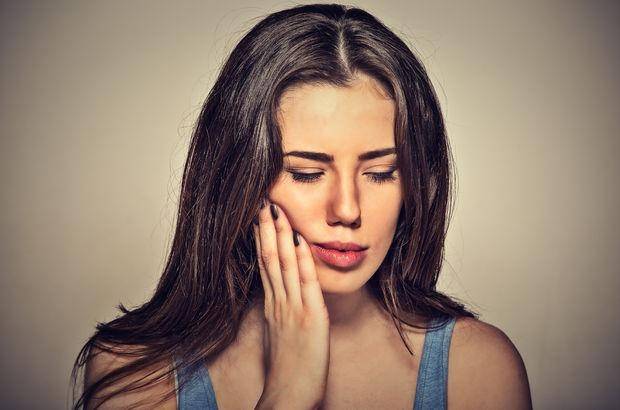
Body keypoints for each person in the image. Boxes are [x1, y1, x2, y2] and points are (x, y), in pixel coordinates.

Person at [71, 3, 532, 409]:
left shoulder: (477, 370)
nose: (347, 210)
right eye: (307, 173)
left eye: (381, 172)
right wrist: (288, 394)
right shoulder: (135, 373)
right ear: (238, 178)